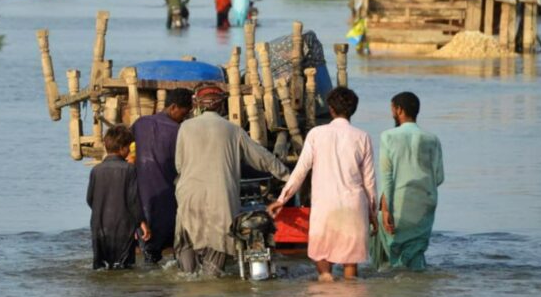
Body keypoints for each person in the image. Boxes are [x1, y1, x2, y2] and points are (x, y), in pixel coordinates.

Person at [174, 84, 290, 276]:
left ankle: (188, 279)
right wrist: (288, 175)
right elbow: (262, 157)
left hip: (189, 195)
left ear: (198, 105)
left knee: (187, 241)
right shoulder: (232, 129)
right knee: (218, 246)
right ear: (221, 106)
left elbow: (179, 165)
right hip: (221, 197)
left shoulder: (185, 127)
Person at [268, 87, 378, 281]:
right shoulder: (363, 137)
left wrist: (282, 199)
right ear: (353, 109)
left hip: (325, 205)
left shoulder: (316, 134)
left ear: (330, 109)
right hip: (353, 205)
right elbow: (369, 181)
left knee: (322, 258)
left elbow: (300, 171)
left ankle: (325, 292)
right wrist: (372, 213)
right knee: (350, 265)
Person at [371, 92, 444, 271]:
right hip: (425, 203)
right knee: (416, 251)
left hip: (398, 202)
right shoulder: (432, 139)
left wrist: (386, 208)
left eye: (392, 110)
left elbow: (387, 176)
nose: (392, 114)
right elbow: (439, 178)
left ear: (399, 110)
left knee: (391, 253)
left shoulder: (388, 136)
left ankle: (397, 291)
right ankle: (419, 293)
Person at [132, 89, 193, 264]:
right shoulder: (179, 132)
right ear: (173, 107)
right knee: (175, 245)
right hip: (167, 196)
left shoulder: (140, 123)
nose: (185, 116)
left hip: (142, 197)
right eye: (184, 112)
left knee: (149, 250)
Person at [86, 125, 151, 270]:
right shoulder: (129, 169)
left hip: (99, 227)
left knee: (101, 268)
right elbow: (133, 200)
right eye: (128, 147)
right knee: (124, 268)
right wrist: (142, 223)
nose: (129, 151)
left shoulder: (96, 170)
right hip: (123, 228)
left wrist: (101, 211)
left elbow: (90, 199)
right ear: (122, 148)